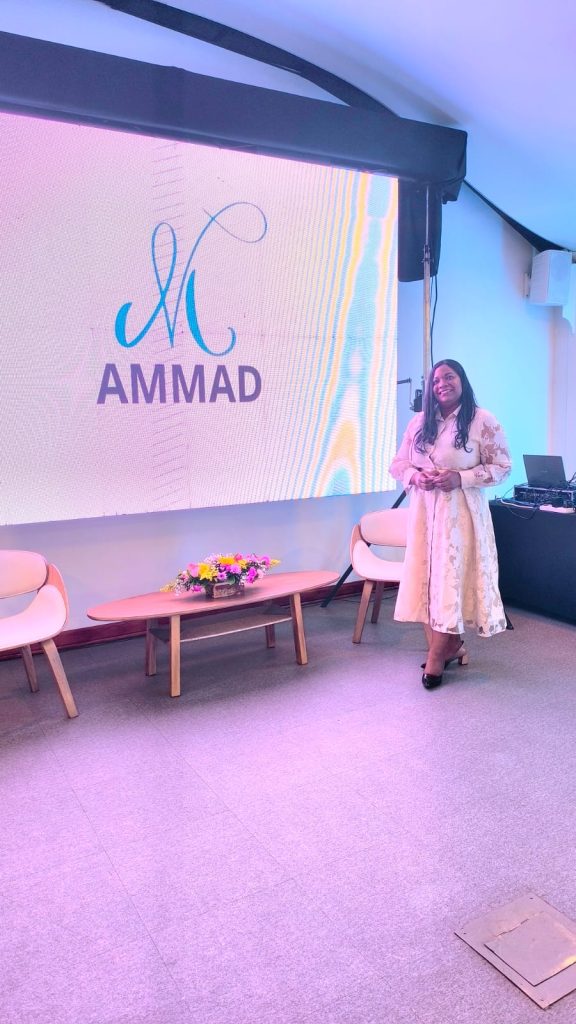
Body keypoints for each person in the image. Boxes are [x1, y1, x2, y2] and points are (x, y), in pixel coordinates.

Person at [389, 359, 512, 689]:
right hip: (424, 516)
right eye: (435, 380)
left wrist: (461, 478)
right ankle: (450, 646)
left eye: (449, 377)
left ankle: (435, 657)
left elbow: (502, 467)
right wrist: (415, 476)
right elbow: (398, 464)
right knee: (428, 581)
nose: (441, 383)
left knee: (449, 582)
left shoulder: (482, 420)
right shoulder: (419, 422)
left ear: (462, 380)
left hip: (461, 518)